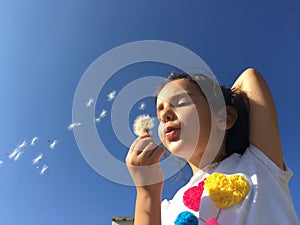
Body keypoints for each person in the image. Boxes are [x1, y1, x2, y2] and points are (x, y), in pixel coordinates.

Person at [126, 68, 299, 225]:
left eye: (181, 102)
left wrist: (220, 102)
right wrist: (147, 192)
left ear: (225, 118)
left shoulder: (259, 161)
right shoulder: (164, 211)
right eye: (160, 111)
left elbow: (250, 77)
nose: (165, 115)